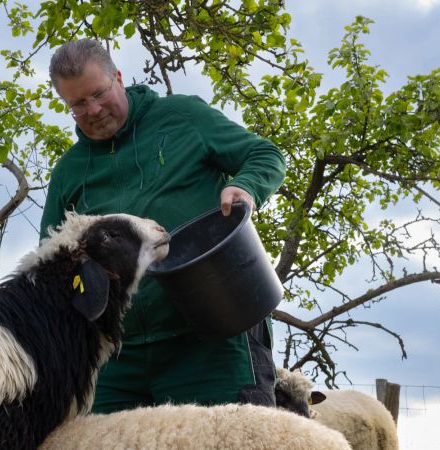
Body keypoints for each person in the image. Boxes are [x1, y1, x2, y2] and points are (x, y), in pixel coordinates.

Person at [40, 39, 286, 414]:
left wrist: (246, 186)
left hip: (212, 340)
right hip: (117, 361)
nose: (92, 110)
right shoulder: (69, 172)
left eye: (99, 94)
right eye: (77, 104)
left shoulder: (182, 117)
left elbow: (266, 155)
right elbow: (53, 259)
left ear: (118, 78)